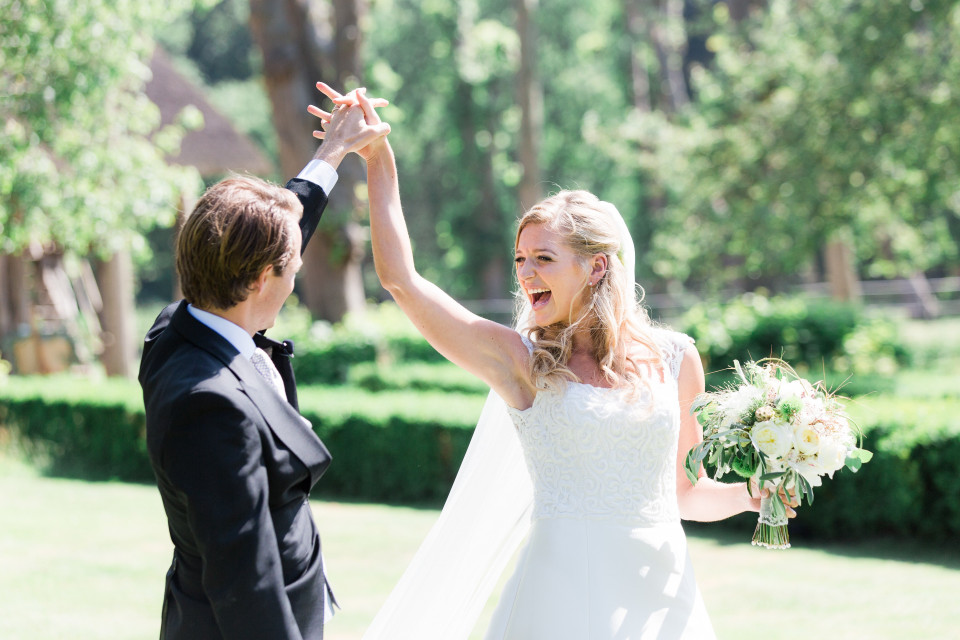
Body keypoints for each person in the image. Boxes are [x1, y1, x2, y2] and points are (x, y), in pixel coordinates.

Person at [315, 88, 797, 639]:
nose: (526, 274)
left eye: (544, 259)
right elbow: (402, 280)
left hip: (662, 600)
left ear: (595, 267)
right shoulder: (519, 361)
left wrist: (752, 494)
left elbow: (684, 495)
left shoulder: (675, 357)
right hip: (557, 600)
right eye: (521, 259)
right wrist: (380, 161)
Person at [138, 89, 389, 640]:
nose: (295, 278)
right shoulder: (210, 408)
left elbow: (270, 232)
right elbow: (245, 580)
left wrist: (333, 153)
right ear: (257, 280)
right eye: (291, 269)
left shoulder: (174, 327)